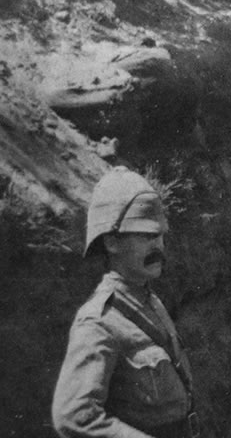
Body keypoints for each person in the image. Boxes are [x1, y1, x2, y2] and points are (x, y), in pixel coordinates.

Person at [52, 167, 199, 438]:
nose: (158, 246)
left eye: (160, 235)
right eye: (145, 236)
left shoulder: (149, 301)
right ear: (112, 243)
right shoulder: (99, 322)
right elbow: (73, 416)